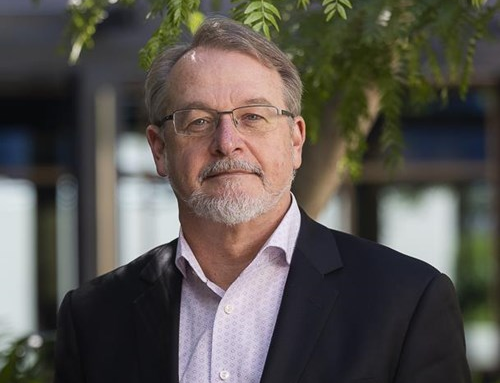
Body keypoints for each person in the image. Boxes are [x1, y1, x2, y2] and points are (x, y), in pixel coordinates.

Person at [54, 16, 471, 383]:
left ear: (295, 140)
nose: (227, 143)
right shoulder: (94, 317)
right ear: (160, 149)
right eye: (198, 121)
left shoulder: (407, 300)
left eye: (253, 116)